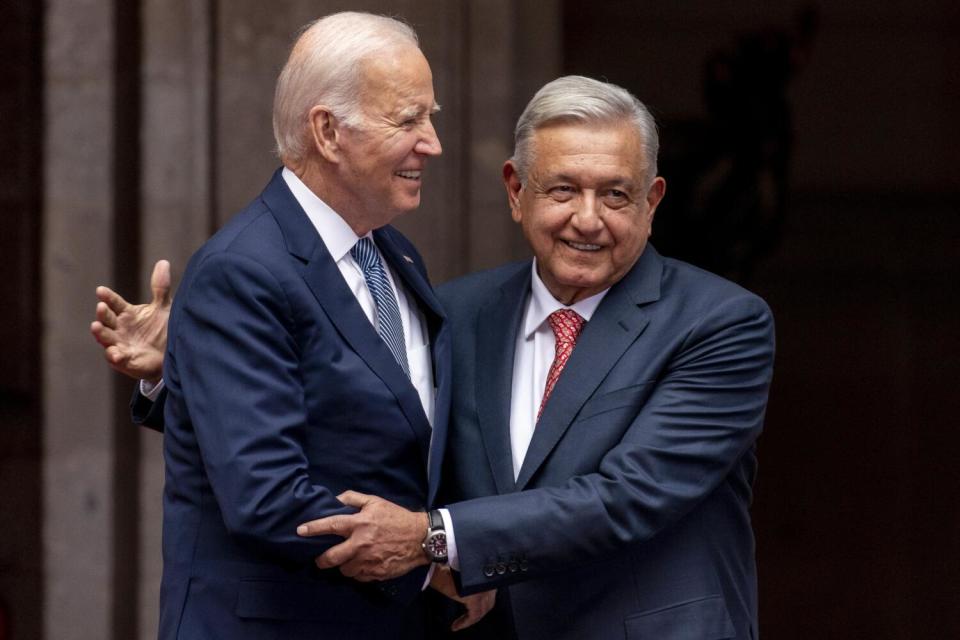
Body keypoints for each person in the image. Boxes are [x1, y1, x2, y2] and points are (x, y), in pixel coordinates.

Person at [95, 75, 774, 639]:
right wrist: (191, 368)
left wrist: (432, 537)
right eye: (563, 189)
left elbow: (627, 497)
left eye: (616, 194)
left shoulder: (721, 324)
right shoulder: (455, 311)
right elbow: (367, 433)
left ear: (653, 202)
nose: (589, 219)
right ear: (516, 191)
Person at [92, 12, 493, 639]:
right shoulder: (242, 269)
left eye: (431, 116)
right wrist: (429, 562)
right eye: (408, 119)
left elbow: (384, 430)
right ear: (329, 131)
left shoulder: (395, 252)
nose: (433, 142)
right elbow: (267, 493)